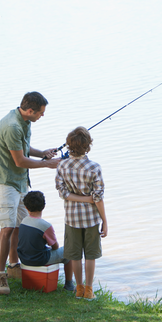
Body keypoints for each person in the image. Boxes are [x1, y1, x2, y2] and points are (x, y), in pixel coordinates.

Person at [0, 91, 61, 295]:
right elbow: (19, 161)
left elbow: (23, 148)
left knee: (19, 227)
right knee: (7, 228)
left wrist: (42, 153)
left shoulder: (24, 121)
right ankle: (0, 275)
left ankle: (14, 266)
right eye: (40, 112)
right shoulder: (12, 126)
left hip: (21, 181)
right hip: (6, 181)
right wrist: (46, 164)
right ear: (30, 110)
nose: (42, 116)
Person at [55, 126, 108, 301]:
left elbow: (62, 192)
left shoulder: (62, 165)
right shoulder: (94, 167)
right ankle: (89, 290)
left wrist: (79, 199)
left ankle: (78, 289)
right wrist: (105, 221)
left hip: (71, 219)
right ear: (88, 146)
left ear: (69, 145)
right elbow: (98, 198)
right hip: (91, 219)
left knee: (75, 256)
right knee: (90, 256)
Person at [17, 190, 75, 292]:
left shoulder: (23, 221)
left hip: (24, 258)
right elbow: (55, 247)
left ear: (26, 207)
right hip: (38, 259)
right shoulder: (45, 226)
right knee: (69, 252)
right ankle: (69, 284)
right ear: (43, 206)